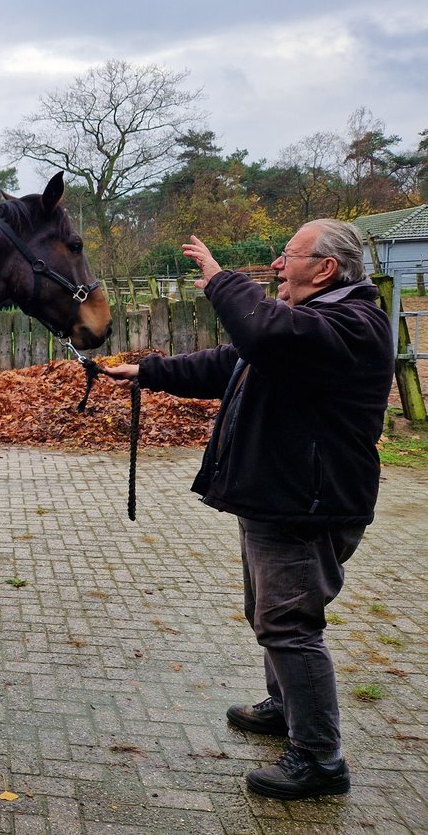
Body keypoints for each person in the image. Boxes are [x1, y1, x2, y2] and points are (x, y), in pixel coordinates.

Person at [106, 220, 394, 800]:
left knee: (289, 625)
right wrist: (149, 372)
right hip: (281, 497)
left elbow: (261, 333)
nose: (278, 266)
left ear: (326, 268)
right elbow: (232, 361)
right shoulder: (307, 325)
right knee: (267, 611)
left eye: (288, 256)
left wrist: (219, 277)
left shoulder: (352, 324)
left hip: (306, 506)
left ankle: (319, 758)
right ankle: (286, 707)